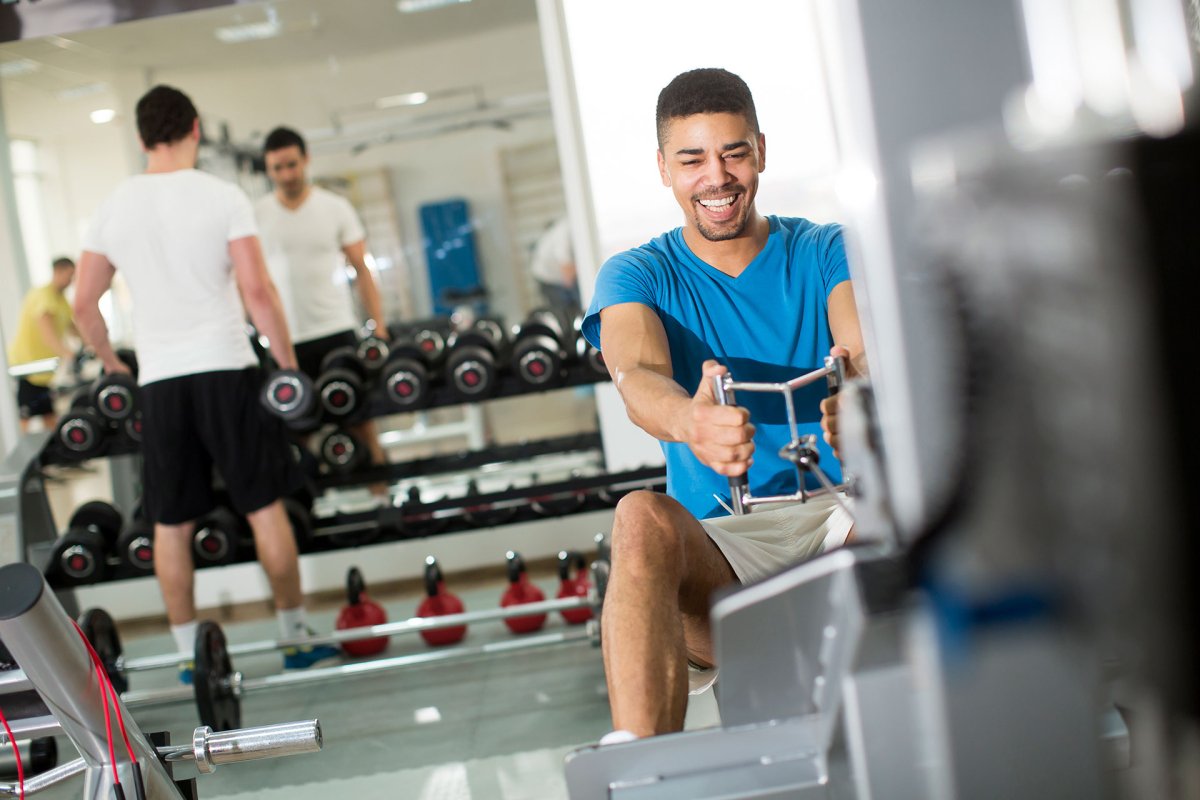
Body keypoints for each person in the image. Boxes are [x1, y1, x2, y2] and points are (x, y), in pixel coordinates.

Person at [580, 68, 867, 740]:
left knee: (914, 493)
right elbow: (637, 374)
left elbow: (863, 347)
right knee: (638, 516)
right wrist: (691, 420)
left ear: (760, 151)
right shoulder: (639, 272)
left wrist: (860, 397)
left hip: (846, 520)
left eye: (733, 153)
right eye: (692, 160)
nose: (717, 177)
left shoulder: (825, 248)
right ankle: (640, 767)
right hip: (727, 551)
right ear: (663, 168)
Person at [72, 85, 339, 679]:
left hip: (161, 383)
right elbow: (258, 292)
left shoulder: (114, 206)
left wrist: (112, 364)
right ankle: (294, 638)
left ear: (141, 137)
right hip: (227, 371)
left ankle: (187, 656)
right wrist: (287, 366)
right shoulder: (223, 196)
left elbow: (84, 304)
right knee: (264, 508)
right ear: (195, 128)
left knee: (170, 523)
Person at [255, 127, 390, 472]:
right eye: (277, 168)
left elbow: (362, 270)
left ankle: (379, 495)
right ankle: (309, 501)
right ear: (268, 169)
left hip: (336, 332)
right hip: (285, 341)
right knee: (295, 431)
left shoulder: (335, 207)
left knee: (359, 422)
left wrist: (378, 326)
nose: (286, 174)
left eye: (291, 165)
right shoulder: (257, 215)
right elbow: (247, 281)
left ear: (306, 160)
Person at [8, 257, 77, 432]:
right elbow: (48, 334)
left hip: (44, 372)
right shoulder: (43, 295)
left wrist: (93, 343)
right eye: (69, 275)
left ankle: (60, 447)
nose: (72, 280)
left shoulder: (61, 299)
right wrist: (66, 353)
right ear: (58, 271)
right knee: (25, 420)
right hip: (28, 366)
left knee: (49, 416)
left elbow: (73, 328)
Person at [529, 215, 580, 312]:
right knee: (566, 311)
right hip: (548, 278)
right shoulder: (565, 231)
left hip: (558, 273)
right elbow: (567, 271)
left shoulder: (571, 227)